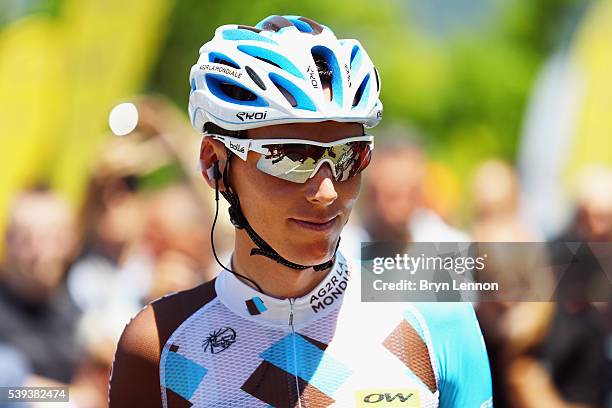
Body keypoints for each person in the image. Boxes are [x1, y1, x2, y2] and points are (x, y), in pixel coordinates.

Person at [108, 15, 492, 407]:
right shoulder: (159, 346)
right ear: (215, 165)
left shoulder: (436, 317)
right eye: (290, 157)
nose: (326, 192)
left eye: (348, 156)